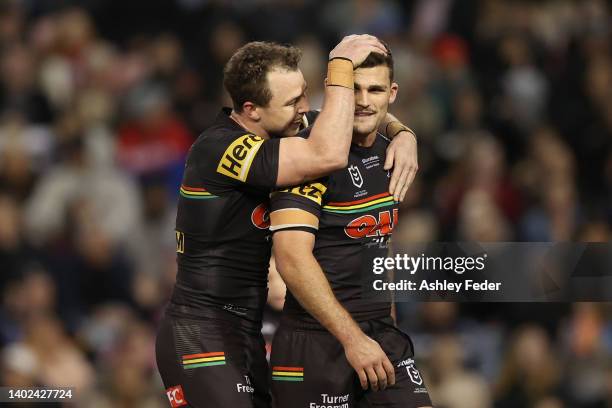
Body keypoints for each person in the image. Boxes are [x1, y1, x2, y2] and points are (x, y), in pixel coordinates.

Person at [156, 35, 419, 408]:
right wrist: (340, 63)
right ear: (252, 110)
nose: (305, 108)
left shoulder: (280, 129)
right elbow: (327, 151)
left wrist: (402, 133)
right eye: (293, 101)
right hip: (200, 331)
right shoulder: (219, 148)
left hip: (246, 329)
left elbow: (355, 115)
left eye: (304, 93)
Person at [269, 47, 433, 407]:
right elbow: (292, 259)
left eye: (375, 90)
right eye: (353, 89)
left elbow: (379, 244)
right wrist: (353, 340)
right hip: (315, 340)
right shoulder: (306, 149)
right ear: (335, 90)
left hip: (380, 332)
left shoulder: (394, 151)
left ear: (392, 94)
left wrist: (406, 133)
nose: (363, 101)